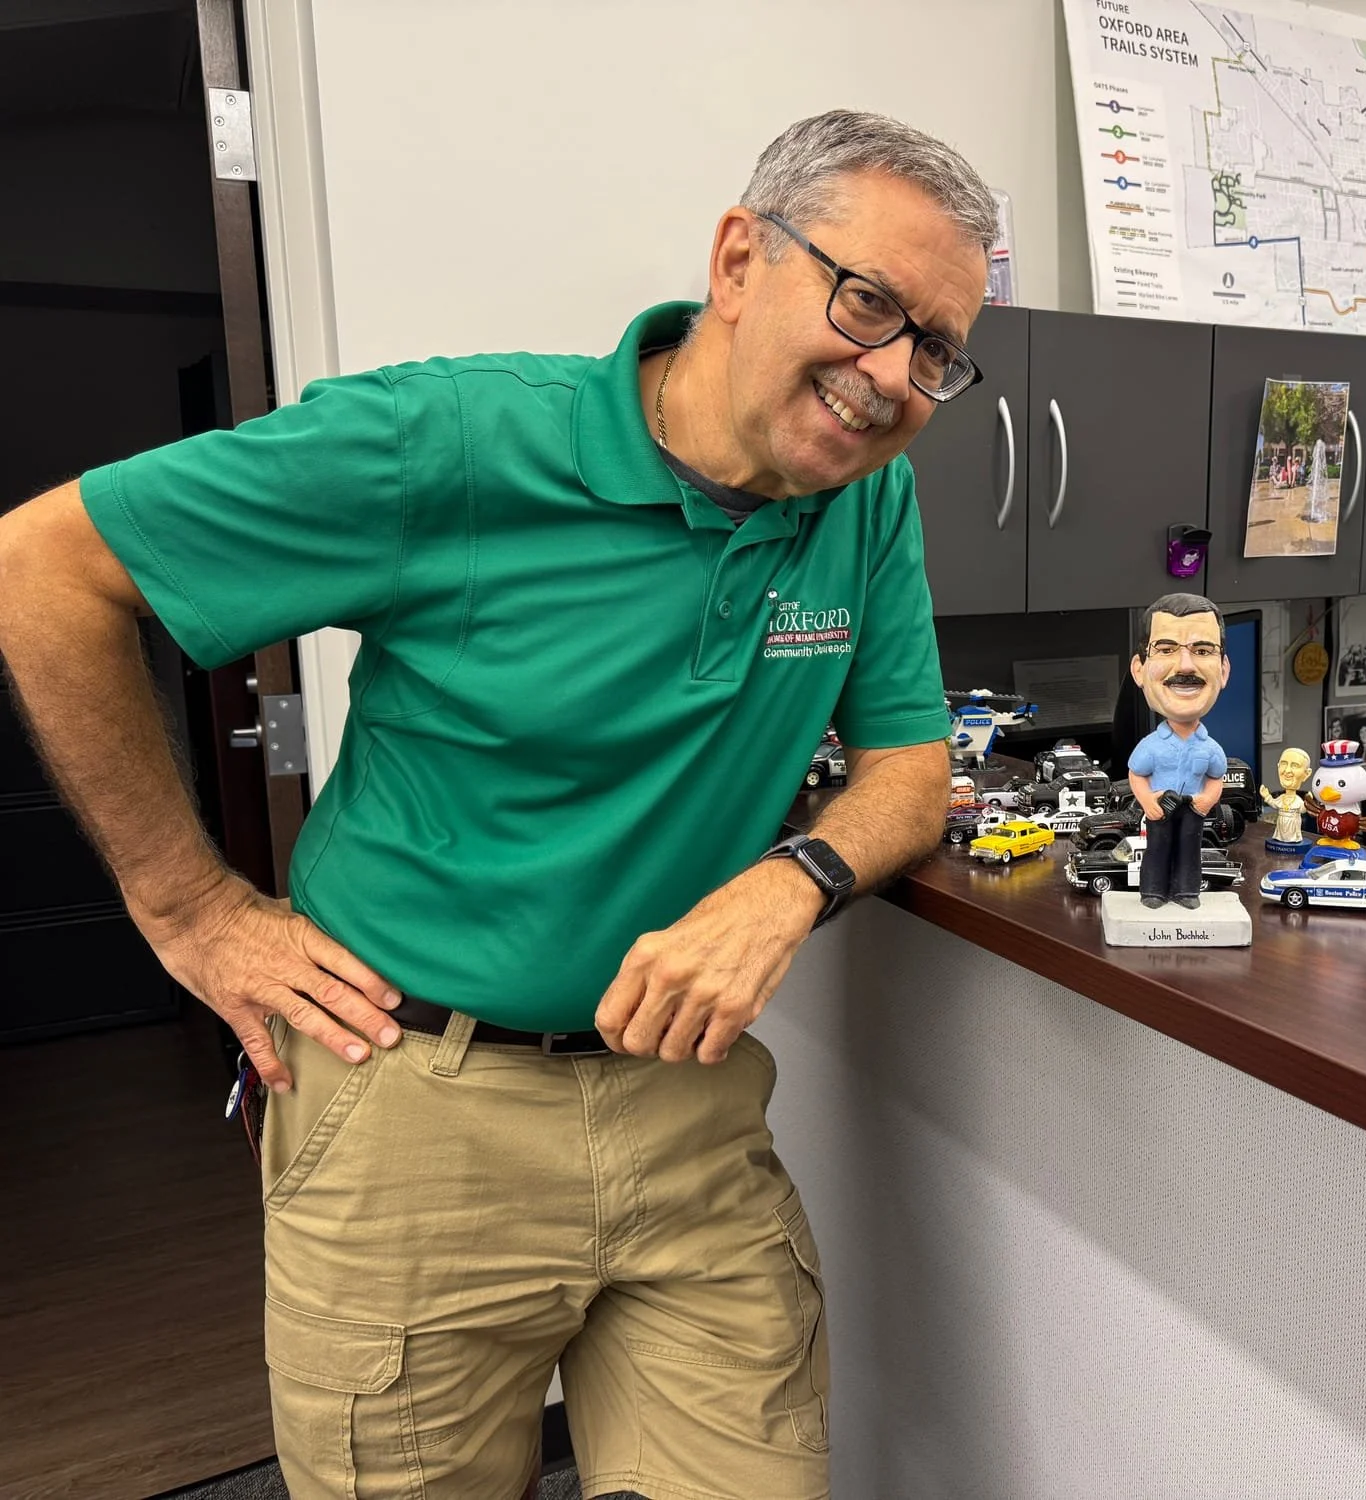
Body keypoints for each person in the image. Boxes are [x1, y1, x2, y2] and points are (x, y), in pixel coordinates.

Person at [0, 110, 997, 1500]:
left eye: (935, 348)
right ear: (737, 260)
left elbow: (909, 767)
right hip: (414, 1106)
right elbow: (44, 569)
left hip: (687, 1109)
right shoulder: (451, 442)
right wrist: (189, 907)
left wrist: (790, 883)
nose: (890, 375)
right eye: (868, 302)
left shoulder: (866, 502)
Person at [1126, 593, 1231, 910]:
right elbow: (1136, 774)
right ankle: (1153, 891)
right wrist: (1147, 801)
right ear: (1139, 670)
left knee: (1190, 850)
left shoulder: (1211, 748)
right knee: (1157, 849)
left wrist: (1207, 800)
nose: (1186, 665)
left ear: (1223, 670)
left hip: (1193, 809)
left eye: (1203, 650)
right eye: (1166, 649)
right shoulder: (1151, 746)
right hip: (1161, 806)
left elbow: (1217, 778)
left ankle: (1187, 891)